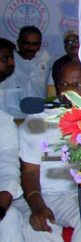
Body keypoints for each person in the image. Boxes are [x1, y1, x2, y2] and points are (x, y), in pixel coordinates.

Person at [17, 61, 81, 242]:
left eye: (77, 84)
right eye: (63, 84)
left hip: (72, 194)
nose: (69, 90)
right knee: (38, 230)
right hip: (39, 194)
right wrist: (37, 207)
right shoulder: (38, 120)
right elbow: (29, 173)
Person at [0, 38, 23, 241]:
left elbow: (8, 161)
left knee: (11, 218)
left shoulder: (4, 123)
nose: (10, 63)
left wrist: (5, 194)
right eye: (4, 58)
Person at [14, 26, 50, 99]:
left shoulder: (47, 60)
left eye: (35, 44)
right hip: (11, 109)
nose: (30, 48)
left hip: (40, 108)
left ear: (40, 45)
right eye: (26, 43)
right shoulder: (9, 61)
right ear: (18, 43)